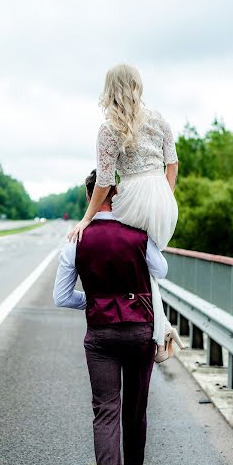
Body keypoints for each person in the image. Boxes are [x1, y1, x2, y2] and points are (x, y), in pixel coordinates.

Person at [53, 169, 168, 465]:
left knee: (105, 415)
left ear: (91, 197)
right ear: (117, 195)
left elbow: (61, 297)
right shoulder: (137, 234)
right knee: (136, 408)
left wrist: (96, 302)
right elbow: (161, 271)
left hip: (100, 336)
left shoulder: (77, 238)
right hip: (138, 332)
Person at [68, 62, 185, 361]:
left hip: (133, 194)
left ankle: (154, 331)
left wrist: (87, 218)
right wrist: (164, 196)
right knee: (148, 264)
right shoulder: (159, 119)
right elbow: (172, 163)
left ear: (110, 90)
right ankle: (161, 333)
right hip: (162, 196)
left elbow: (105, 182)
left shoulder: (109, 129)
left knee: (128, 257)